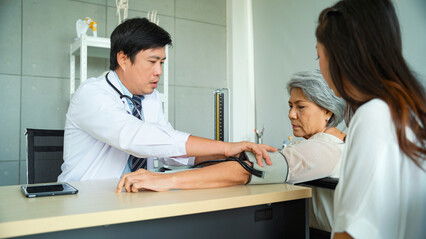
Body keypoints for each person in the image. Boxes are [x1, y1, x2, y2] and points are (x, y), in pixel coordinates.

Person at [116, 68, 347, 228]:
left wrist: (164, 181)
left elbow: (247, 169)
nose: (291, 114)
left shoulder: (325, 149)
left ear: (328, 111)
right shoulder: (337, 142)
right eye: (290, 105)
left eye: (300, 107)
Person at [58, 18, 276, 182]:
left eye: (162, 62)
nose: (158, 71)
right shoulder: (92, 94)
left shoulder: (149, 98)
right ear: (123, 59)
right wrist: (225, 146)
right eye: (153, 61)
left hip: (134, 197)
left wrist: (224, 154)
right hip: (87, 200)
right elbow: (135, 138)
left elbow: (168, 151)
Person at [315, 0, 426, 239]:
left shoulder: (374, 116)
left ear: (340, 56)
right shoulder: (410, 113)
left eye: (319, 57)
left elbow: (354, 232)